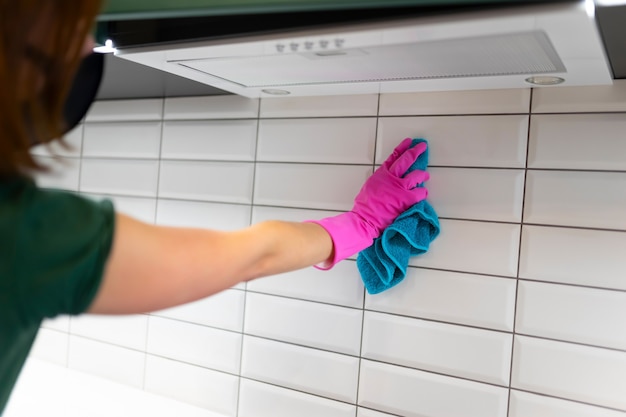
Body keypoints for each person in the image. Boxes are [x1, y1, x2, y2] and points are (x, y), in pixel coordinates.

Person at [0, 1, 429, 413]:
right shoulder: (28, 233)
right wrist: (362, 224)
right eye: (70, 25)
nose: (84, 46)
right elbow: (254, 255)